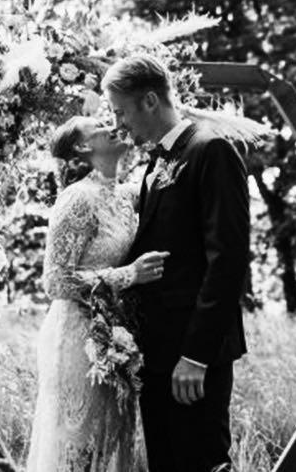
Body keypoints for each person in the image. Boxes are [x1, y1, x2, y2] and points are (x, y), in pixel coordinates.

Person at [101, 54, 250, 472]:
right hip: (158, 353)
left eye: (120, 111)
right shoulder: (157, 161)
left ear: (150, 101)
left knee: (202, 463)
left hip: (193, 356)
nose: (118, 124)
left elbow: (228, 260)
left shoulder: (211, 150)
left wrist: (197, 356)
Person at [25, 115, 168, 472]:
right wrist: (129, 275)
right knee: (78, 449)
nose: (113, 124)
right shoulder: (78, 198)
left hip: (115, 336)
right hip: (76, 337)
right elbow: (55, 281)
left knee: (108, 446)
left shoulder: (125, 194)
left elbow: (168, 181)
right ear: (83, 146)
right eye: (101, 124)